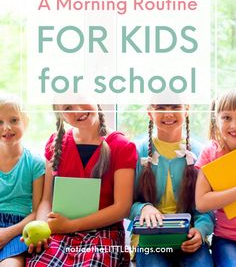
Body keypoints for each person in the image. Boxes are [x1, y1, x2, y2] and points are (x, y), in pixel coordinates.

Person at [26, 103, 137, 267]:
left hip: (104, 231)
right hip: (59, 229)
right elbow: (46, 200)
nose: (77, 110)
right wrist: (42, 227)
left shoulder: (121, 146)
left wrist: (70, 226)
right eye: (68, 108)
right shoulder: (56, 143)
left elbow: (122, 207)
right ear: (60, 115)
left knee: (94, 263)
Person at [129, 104, 214, 267]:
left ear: (187, 109)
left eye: (175, 107)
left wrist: (201, 231)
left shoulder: (201, 152)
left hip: (188, 237)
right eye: (160, 108)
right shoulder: (137, 151)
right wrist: (143, 208)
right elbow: (126, 203)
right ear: (149, 112)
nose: (168, 114)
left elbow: (206, 207)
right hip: (149, 240)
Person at [0, 94, 45, 267]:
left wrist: (7, 233)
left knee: (10, 265)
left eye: (14, 120)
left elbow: (36, 211)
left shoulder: (35, 162)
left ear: (25, 122)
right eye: (0, 122)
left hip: (19, 227)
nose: (7, 128)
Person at [195, 89, 236, 267]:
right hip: (227, 240)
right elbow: (202, 203)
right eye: (227, 118)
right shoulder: (211, 151)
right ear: (216, 119)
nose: (234, 125)